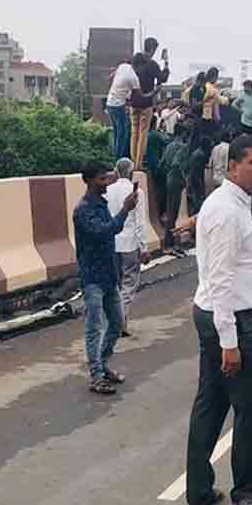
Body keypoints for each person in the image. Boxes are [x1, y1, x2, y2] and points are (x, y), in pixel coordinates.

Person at [186, 135, 252, 505]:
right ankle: (244, 494)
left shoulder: (233, 204)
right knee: (251, 407)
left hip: (220, 315)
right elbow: (221, 280)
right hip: (230, 319)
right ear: (233, 166)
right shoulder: (226, 211)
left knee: (212, 402)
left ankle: (199, 489)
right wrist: (230, 343)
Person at [73, 162, 140, 395]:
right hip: (92, 276)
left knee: (117, 324)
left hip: (108, 275)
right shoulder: (84, 210)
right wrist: (125, 210)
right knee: (94, 327)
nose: (107, 183)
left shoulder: (100, 203)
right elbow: (104, 232)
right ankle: (96, 376)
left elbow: (111, 230)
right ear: (89, 181)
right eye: (102, 180)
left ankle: (101, 366)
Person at [106, 158, 146, 337]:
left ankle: (116, 321)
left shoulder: (107, 191)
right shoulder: (136, 191)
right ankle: (120, 321)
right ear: (131, 173)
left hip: (112, 243)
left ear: (116, 172)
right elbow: (140, 222)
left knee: (116, 284)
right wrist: (143, 247)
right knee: (129, 284)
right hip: (130, 244)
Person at [128, 39, 171, 165]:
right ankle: (138, 164)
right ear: (152, 49)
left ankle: (132, 161)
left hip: (133, 101)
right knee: (143, 133)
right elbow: (163, 78)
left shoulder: (134, 61)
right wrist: (166, 63)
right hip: (146, 102)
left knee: (134, 132)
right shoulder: (152, 64)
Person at [104, 59, 138, 159]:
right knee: (122, 132)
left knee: (116, 131)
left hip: (109, 102)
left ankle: (114, 155)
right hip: (118, 105)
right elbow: (139, 94)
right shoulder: (133, 77)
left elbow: (111, 76)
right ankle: (118, 157)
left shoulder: (122, 66)